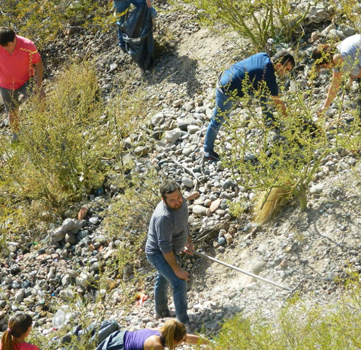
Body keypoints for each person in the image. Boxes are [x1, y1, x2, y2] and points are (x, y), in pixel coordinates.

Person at [202, 51, 295, 161]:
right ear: (279, 65)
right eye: (287, 70)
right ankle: (207, 152)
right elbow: (278, 102)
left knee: (264, 90)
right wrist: (290, 121)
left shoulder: (263, 55)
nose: (286, 73)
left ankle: (268, 120)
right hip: (226, 91)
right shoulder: (268, 75)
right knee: (217, 121)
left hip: (226, 76)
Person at [145, 181, 193, 325]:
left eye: (178, 196)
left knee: (163, 277)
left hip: (170, 249)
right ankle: (183, 324)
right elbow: (164, 247)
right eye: (172, 200)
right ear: (163, 199)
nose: (177, 201)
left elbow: (184, 222)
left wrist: (188, 241)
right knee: (178, 282)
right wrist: (177, 270)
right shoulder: (163, 217)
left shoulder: (182, 201)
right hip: (157, 253)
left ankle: (161, 311)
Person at [0, 28, 44, 136]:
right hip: (5, 84)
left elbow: (38, 63)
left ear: (14, 40)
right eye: (3, 46)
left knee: (40, 97)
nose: (5, 48)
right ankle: (16, 135)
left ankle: (41, 128)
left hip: (26, 80)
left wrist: (38, 85)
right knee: (12, 110)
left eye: (7, 46)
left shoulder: (28, 45)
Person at [97, 319, 208, 350]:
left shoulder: (164, 331)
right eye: (182, 340)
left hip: (120, 336)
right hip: (118, 346)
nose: (185, 340)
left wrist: (209, 343)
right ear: (174, 341)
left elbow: (187, 338)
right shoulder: (156, 345)